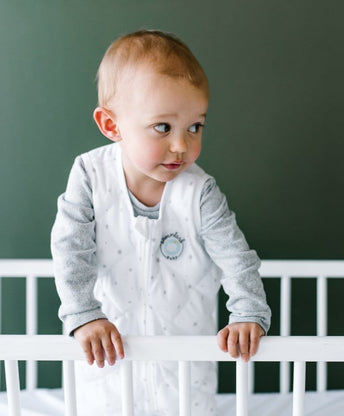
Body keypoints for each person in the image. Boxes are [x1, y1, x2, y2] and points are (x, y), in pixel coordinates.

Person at [51, 29, 271, 416]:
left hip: (184, 369)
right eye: (163, 127)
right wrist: (84, 314)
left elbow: (237, 258)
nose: (181, 145)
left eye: (195, 127)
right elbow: (71, 250)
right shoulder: (90, 176)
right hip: (108, 358)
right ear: (112, 125)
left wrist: (248, 311)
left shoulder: (199, 192)